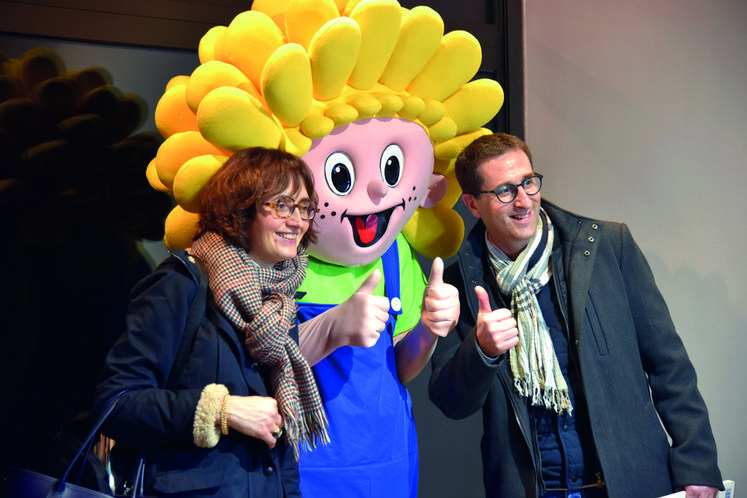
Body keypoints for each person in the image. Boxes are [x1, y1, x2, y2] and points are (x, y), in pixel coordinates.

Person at [428, 132, 723, 498]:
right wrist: (482, 351)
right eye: (504, 191)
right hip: (536, 488)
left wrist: (698, 465)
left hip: (625, 483)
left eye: (528, 183)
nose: (523, 201)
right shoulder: (461, 284)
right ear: (473, 205)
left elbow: (669, 365)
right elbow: (450, 402)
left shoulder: (605, 249)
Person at [93, 146, 328, 497]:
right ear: (241, 207)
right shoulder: (180, 284)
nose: (296, 221)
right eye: (281, 205)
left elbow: (280, 448)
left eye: (305, 208)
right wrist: (222, 410)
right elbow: (116, 405)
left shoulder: (278, 306)